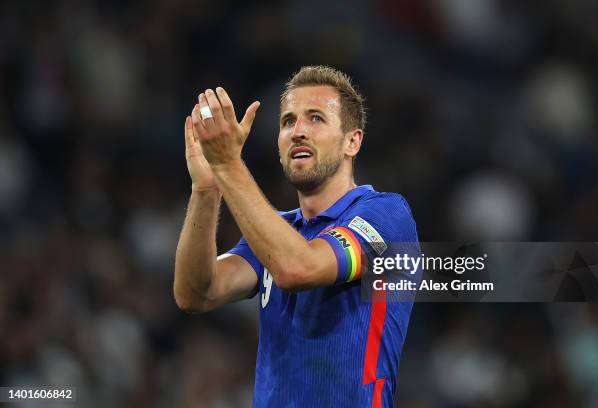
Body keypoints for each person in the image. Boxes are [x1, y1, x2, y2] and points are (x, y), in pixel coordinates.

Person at [174, 66, 419, 407]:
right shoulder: (275, 234)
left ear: (352, 141)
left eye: (316, 118)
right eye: (288, 121)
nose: (298, 131)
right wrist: (206, 188)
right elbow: (195, 293)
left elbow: (300, 268)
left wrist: (229, 165)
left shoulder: (387, 216)